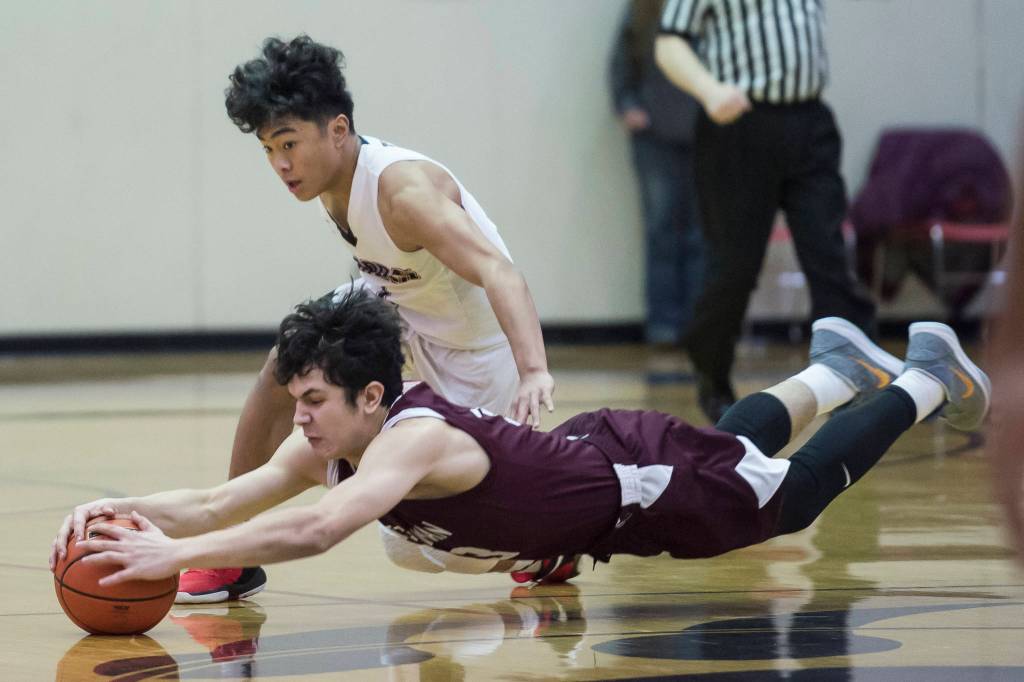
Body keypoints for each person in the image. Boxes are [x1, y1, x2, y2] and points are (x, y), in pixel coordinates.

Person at [49, 288, 990, 587]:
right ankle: (832, 366)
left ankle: (922, 379)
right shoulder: (339, 434)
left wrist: (173, 558)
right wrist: (123, 511)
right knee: (734, 458)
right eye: (294, 397)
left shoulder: (407, 439)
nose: (297, 420)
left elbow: (313, 531)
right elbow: (224, 500)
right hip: (600, 469)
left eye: (313, 401)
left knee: (783, 498)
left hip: (636, 480)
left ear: (373, 395)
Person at [179, 35, 556, 603]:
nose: (280, 164)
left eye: (289, 143)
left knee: (420, 546)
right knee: (288, 361)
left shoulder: (403, 193)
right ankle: (234, 552)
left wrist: (533, 371)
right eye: (267, 149)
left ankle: (549, 538)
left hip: (475, 349)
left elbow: (500, 272)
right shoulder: (330, 179)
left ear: (337, 129)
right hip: (401, 311)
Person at [655, 0, 877, 422]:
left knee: (828, 255)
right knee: (734, 266)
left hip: (809, 121)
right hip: (739, 124)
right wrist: (709, 90)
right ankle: (712, 375)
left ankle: (853, 375)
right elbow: (669, 43)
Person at [609, 0, 705, 344]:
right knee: (662, 231)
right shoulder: (643, 10)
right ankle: (664, 325)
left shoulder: (712, 11)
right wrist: (628, 105)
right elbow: (621, 63)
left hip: (708, 135)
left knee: (703, 235)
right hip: (655, 139)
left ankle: (701, 327)